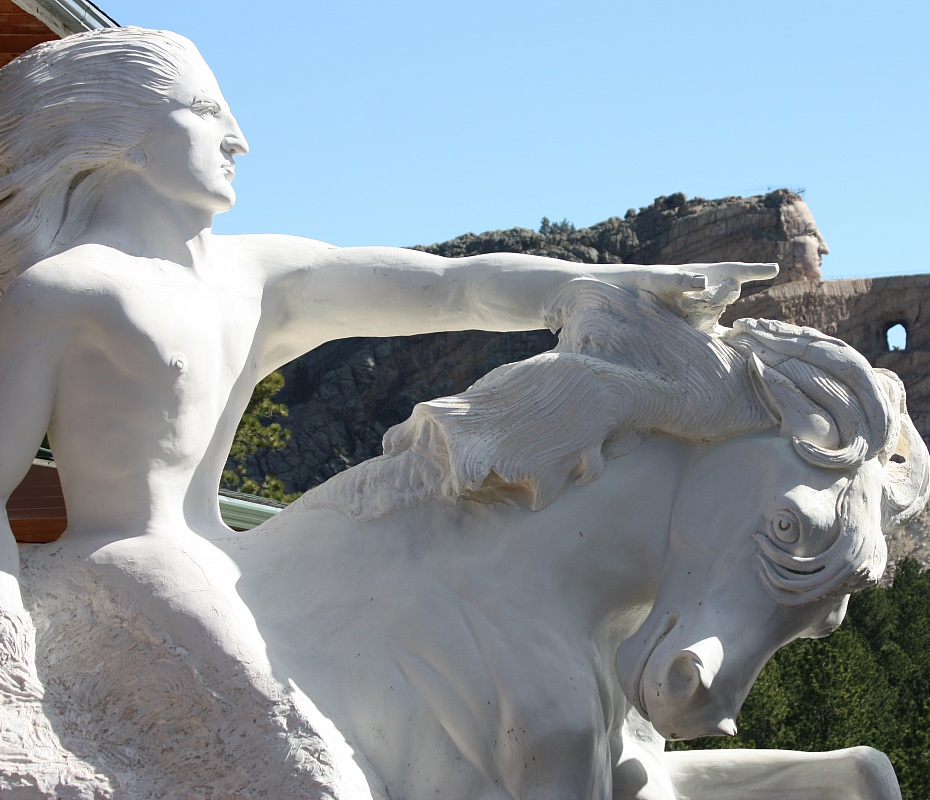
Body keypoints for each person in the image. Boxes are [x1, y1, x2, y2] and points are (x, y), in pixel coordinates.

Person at [0, 27, 774, 790]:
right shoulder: (67, 292)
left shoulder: (254, 273)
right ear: (120, 133)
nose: (238, 138)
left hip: (236, 551)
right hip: (137, 565)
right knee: (303, 761)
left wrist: (620, 283)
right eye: (205, 111)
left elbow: (452, 284)